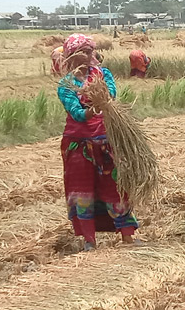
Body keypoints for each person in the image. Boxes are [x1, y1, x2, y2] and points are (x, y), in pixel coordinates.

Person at [57, 34, 139, 251]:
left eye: (89, 50)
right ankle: (89, 241)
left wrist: (102, 97)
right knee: (82, 191)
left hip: (106, 140)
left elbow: (111, 93)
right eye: (82, 51)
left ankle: (127, 236)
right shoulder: (66, 84)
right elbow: (76, 112)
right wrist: (92, 109)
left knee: (115, 187)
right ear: (71, 54)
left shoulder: (102, 73)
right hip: (78, 145)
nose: (87, 54)